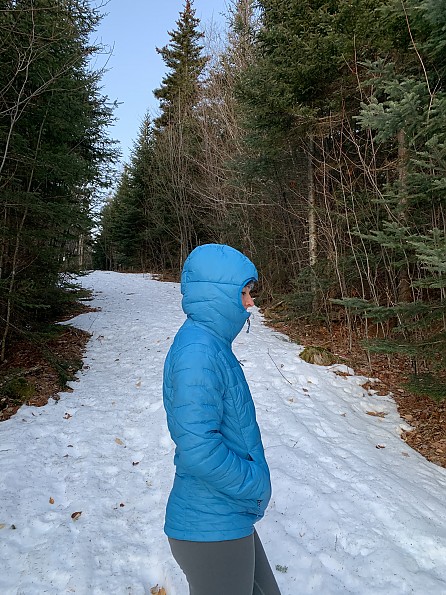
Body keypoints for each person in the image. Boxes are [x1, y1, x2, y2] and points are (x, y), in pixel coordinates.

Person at [163, 243, 281, 595]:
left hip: (225, 517)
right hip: (210, 525)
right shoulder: (197, 353)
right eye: (244, 292)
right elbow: (199, 449)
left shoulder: (210, 346)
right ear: (216, 293)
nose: (250, 302)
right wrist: (254, 484)